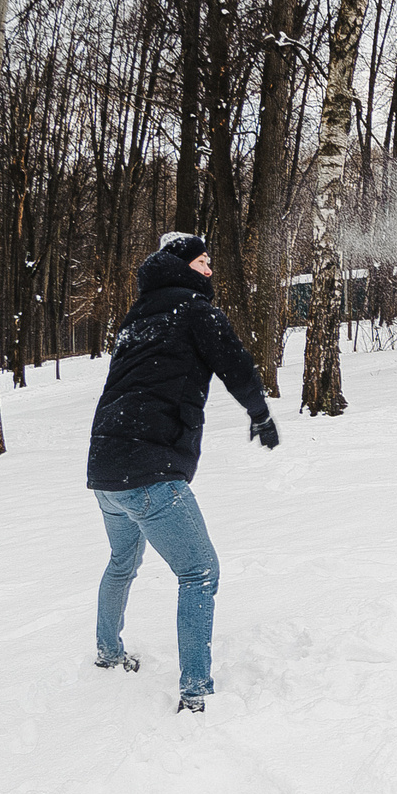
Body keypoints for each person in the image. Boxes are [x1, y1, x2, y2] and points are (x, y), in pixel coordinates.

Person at [86, 232, 279, 712]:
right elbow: (234, 363)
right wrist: (260, 412)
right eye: (204, 262)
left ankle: (108, 654)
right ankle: (195, 695)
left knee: (121, 563)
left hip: (105, 471)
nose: (211, 270)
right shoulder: (196, 312)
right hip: (150, 471)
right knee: (199, 572)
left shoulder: (135, 319)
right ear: (184, 266)